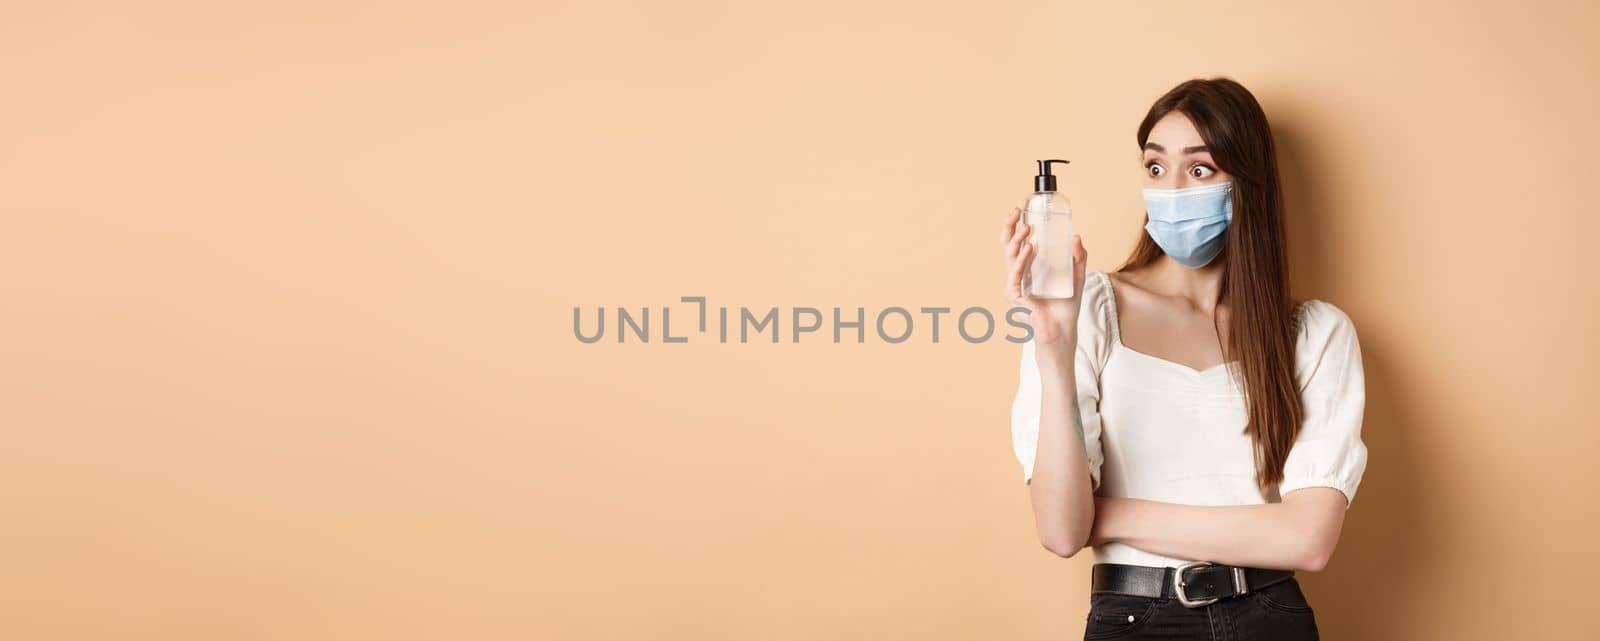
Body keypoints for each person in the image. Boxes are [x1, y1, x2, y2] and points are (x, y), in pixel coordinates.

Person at [1002, 77, 1368, 640]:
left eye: (1199, 170)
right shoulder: (1088, 309)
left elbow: (1308, 541)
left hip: (1271, 618)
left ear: (1246, 184)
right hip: (1134, 620)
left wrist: (1104, 514)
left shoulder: (1313, 334)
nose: (1171, 189)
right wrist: (1055, 351)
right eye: (1155, 168)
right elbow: (1057, 530)